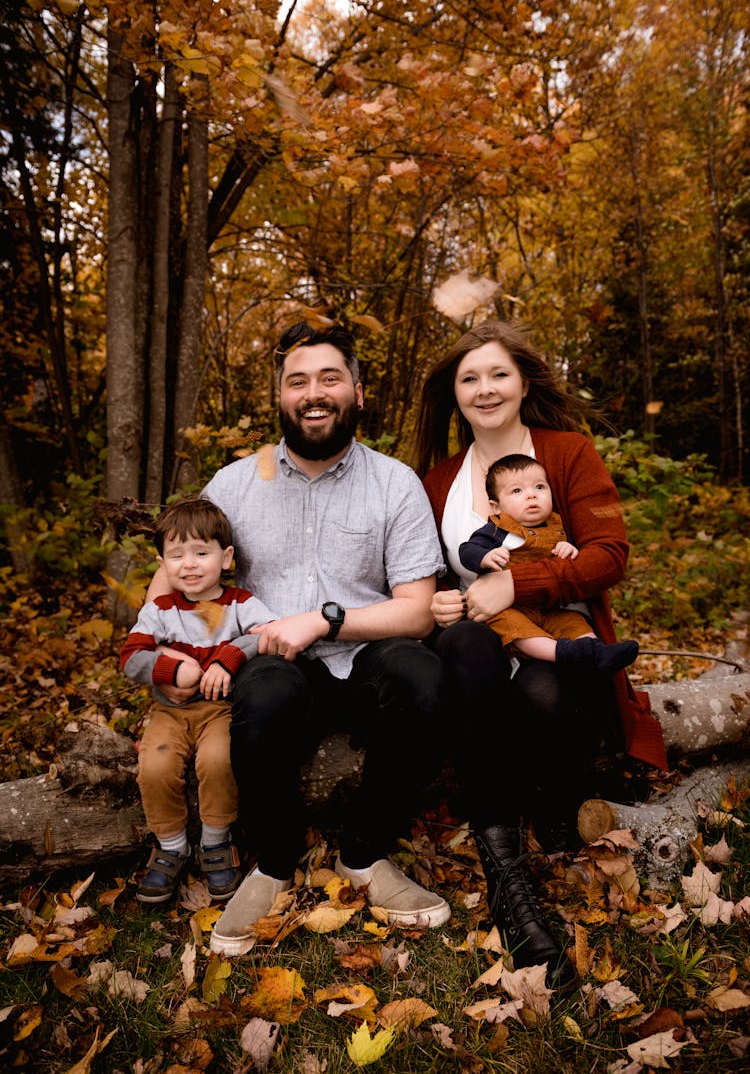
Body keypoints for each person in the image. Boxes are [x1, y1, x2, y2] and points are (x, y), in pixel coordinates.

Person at [147, 321, 450, 956]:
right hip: (276, 665)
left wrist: (325, 619)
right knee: (261, 690)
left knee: (421, 674)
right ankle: (277, 863)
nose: (314, 393)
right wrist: (161, 653)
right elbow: (170, 574)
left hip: (366, 652)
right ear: (281, 397)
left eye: (330, 378)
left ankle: (364, 856)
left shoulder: (395, 483)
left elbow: (418, 612)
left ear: (358, 393)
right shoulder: (234, 483)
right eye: (298, 381)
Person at [415, 319, 666, 987]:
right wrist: (438, 599)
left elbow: (609, 555)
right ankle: (504, 869)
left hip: (558, 635)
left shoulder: (568, 451)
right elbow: (425, 572)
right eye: (469, 378)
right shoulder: (437, 479)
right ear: (455, 394)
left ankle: (555, 795)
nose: (485, 388)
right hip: (478, 646)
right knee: (466, 642)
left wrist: (518, 581)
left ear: (524, 381)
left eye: (498, 373)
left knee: (544, 692)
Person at [120, 497, 275, 904]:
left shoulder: (240, 603)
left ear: (225, 558)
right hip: (170, 712)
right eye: (176, 555)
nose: (188, 564)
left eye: (201, 553)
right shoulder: (159, 610)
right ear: (162, 563)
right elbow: (130, 657)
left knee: (219, 761)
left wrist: (229, 656)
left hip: (221, 710)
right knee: (155, 764)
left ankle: (215, 843)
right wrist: (170, 671)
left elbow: (269, 635)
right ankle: (171, 846)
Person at [459, 453, 639, 671]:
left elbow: (576, 561)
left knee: (573, 621)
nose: (531, 496)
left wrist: (569, 548)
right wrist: (484, 557)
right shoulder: (497, 530)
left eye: (539, 487)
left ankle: (597, 651)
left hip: (550, 607)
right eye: (517, 491)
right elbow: (466, 550)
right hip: (509, 608)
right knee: (516, 629)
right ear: (496, 507)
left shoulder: (557, 527)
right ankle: (560, 653)